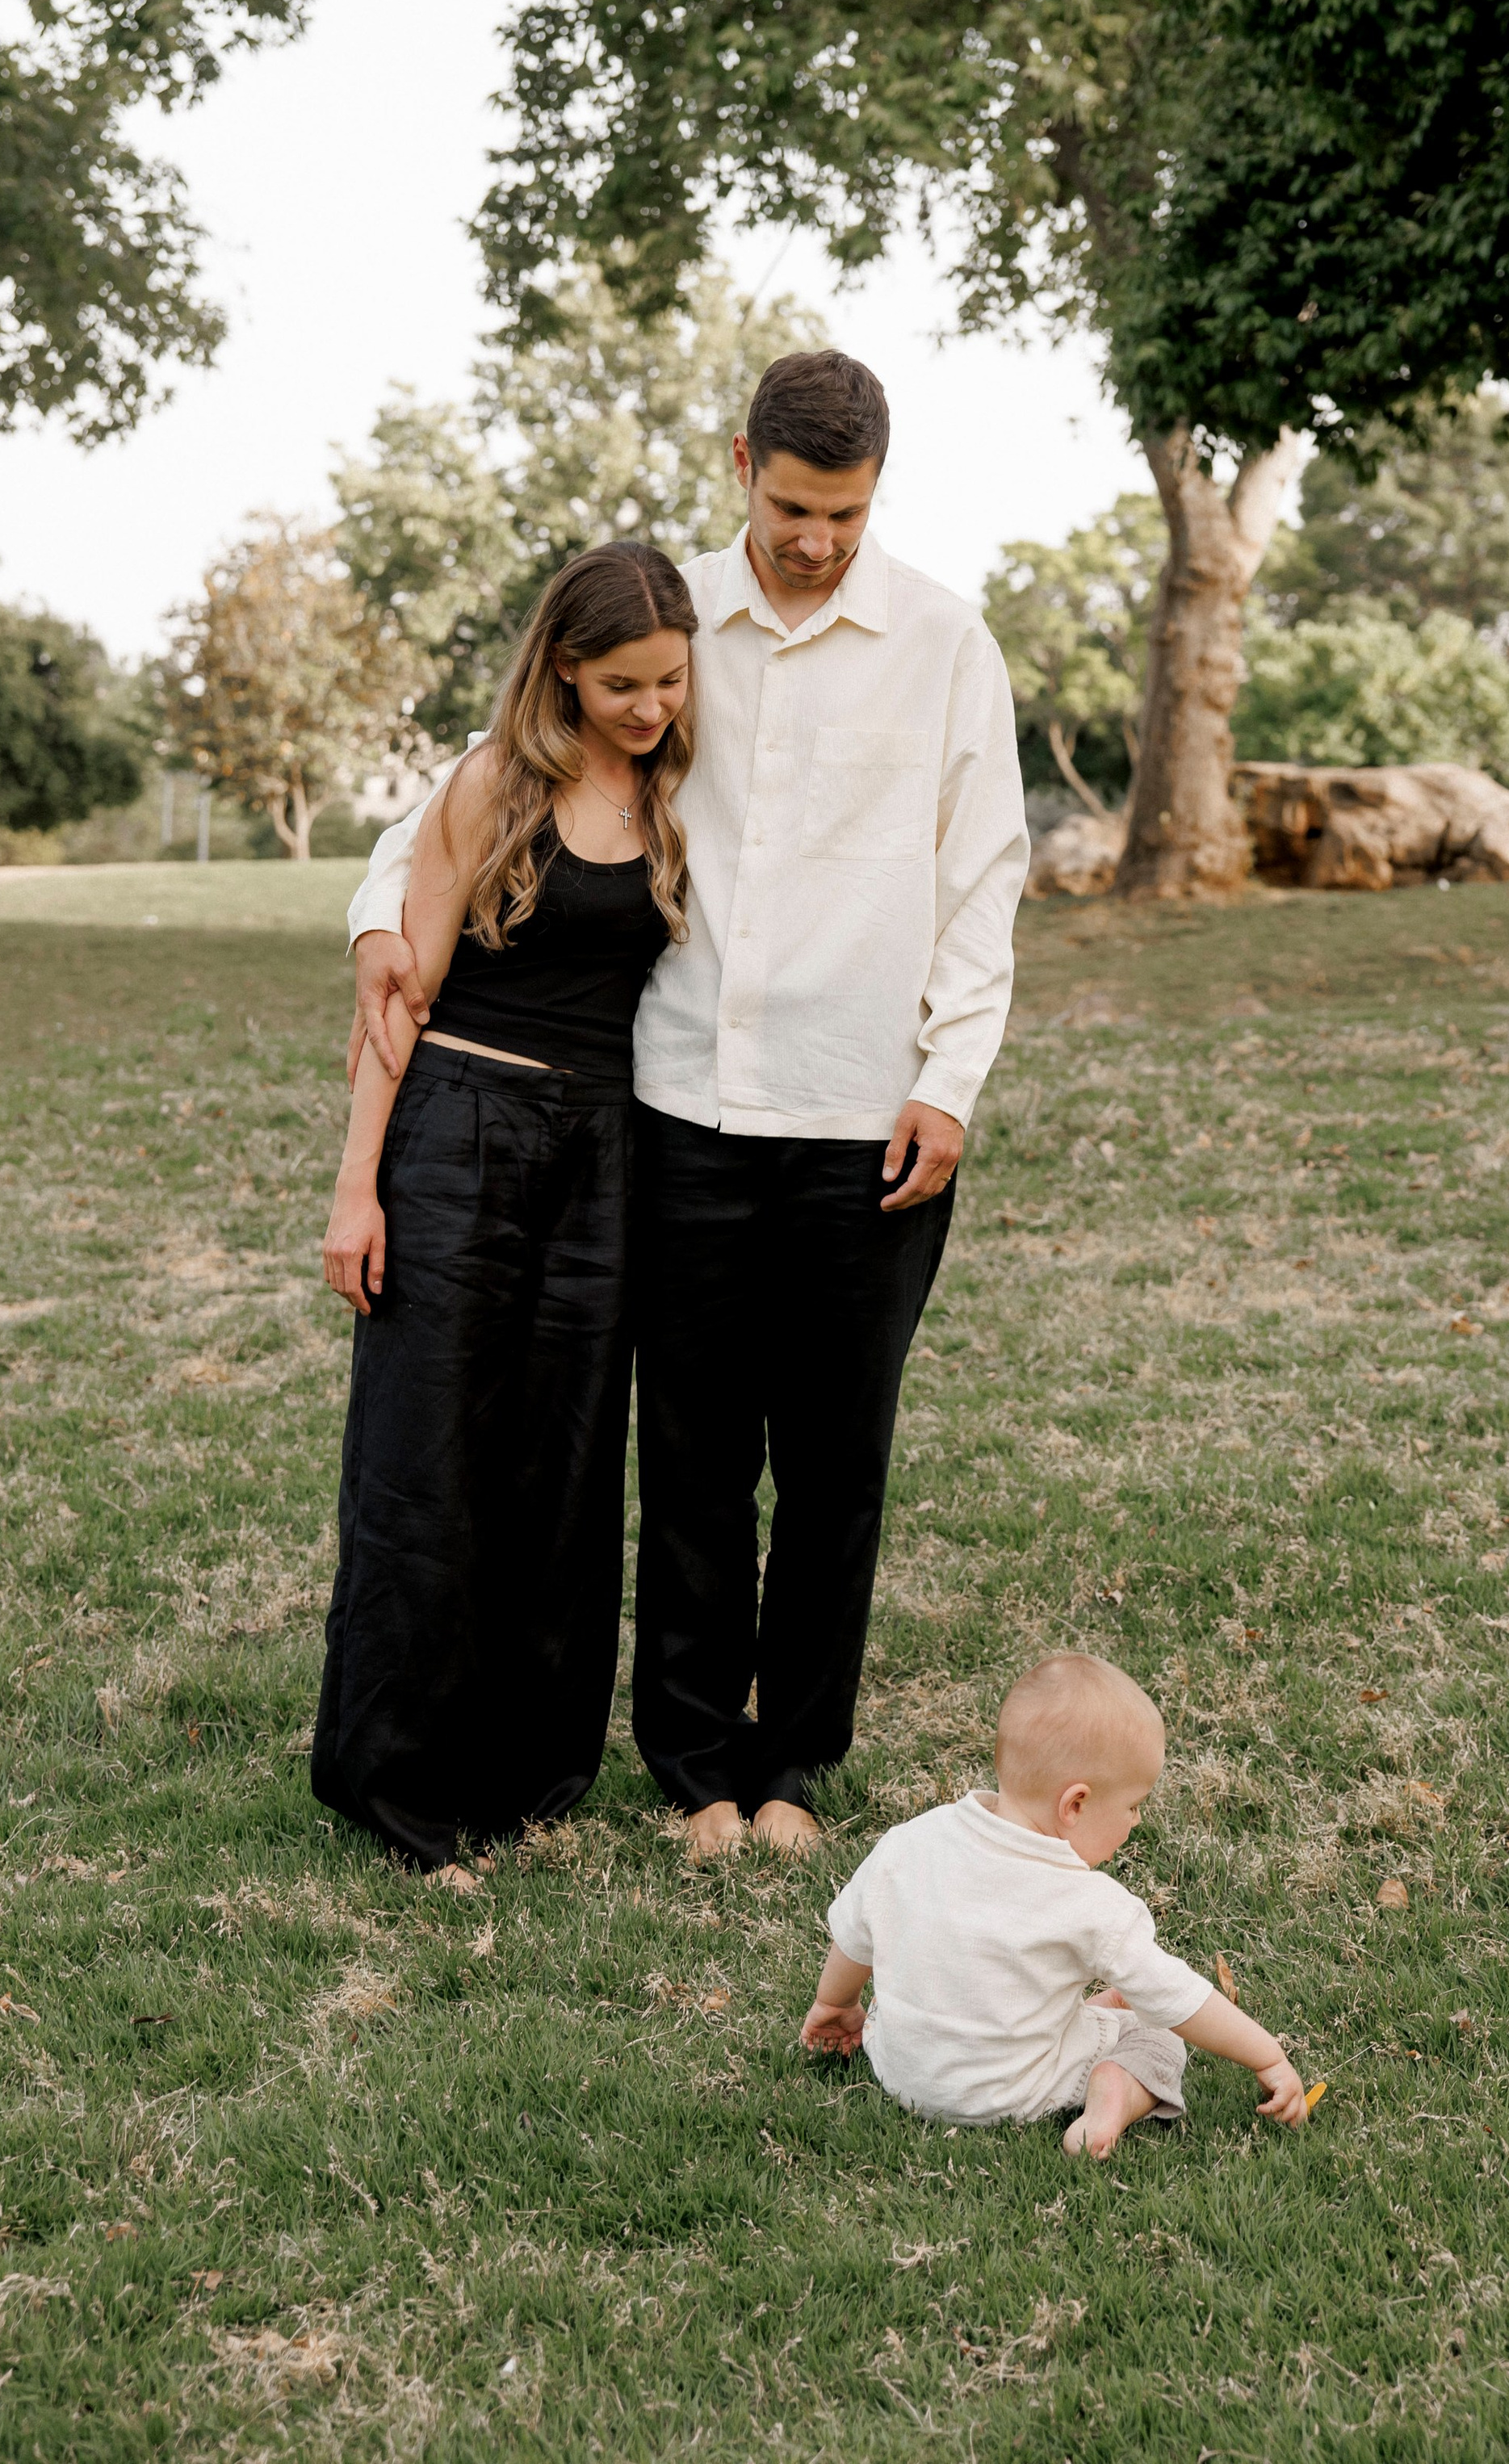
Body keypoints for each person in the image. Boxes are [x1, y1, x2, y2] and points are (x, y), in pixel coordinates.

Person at [345, 349, 1029, 1860]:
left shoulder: (944, 642)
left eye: (845, 515)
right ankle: (694, 1762)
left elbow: (986, 882)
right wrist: (380, 911)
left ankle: (795, 1765)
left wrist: (950, 1083)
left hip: (871, 1122)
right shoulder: (668, 629)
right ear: (741, 468)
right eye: (792, 507)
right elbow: (462, 793)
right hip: (679, 1114)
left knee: (838, 1462)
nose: (815, 542)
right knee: (696, 1457)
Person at [312, 540, 698, 1870]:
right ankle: (402, 1785)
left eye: (668, 679)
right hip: (457, 1135)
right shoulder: (495, 782)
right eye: (623, 685)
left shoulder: (678, 791)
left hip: (602, 1154)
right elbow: (398, 995)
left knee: (565, 1462)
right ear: (565, 668)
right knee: (431, 1461)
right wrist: (357, 1186)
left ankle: (531, 1771)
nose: (650, 706)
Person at [799, 1653, 1310, 2157]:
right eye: (1134, 1805)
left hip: (903, 2074)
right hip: (1018, 2093)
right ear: (1076, 1805)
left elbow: (854, 1939)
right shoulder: (1091, 1904)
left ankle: (1075, 2020)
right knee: (1156, 2036)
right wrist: (1267, 2054)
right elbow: (1179, 1999)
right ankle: (1112, 2101)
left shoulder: (909, 1843)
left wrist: (835, 2006)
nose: (1136, 1822)